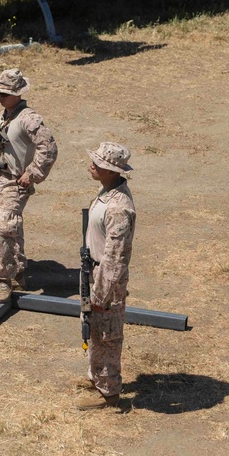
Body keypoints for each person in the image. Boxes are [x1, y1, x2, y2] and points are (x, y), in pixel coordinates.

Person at [0, 69, 58, 303]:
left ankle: (4, 280)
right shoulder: (5, 114)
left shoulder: (29, 118)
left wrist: (33, 173)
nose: (1, 96)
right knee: (10, 228)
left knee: (2, 227)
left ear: (18, 94)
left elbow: (48, 148)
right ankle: (18, 273)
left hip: (16, 182)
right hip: (1, 178)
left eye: (6, 93)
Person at [76, 142, 136, 411]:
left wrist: (102, 292)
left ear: (112, 171)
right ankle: (97, 377)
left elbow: (116, 257)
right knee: (95, 328)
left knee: (107, 335)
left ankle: (109, 394)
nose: (92, 165)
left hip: (105, 276)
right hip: (94, 271)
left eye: (98, 164)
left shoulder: (118, 208)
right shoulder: (107, 192)